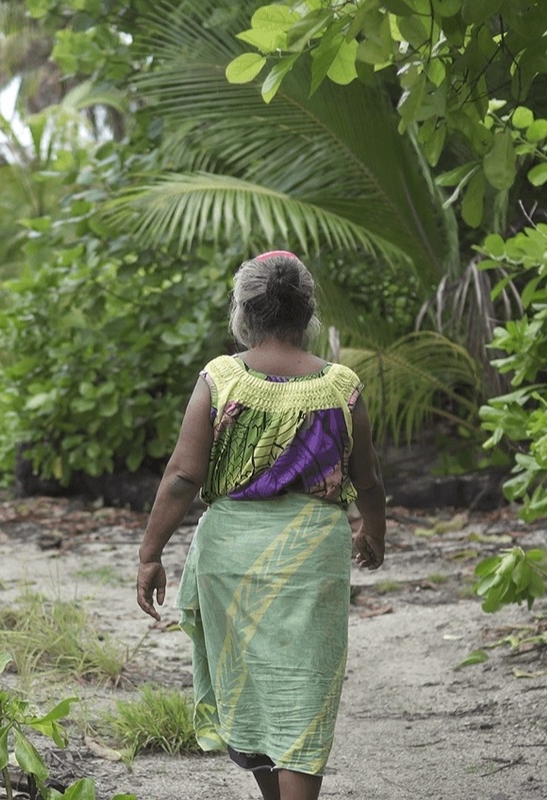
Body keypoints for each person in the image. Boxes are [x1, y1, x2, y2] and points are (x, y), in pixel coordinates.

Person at [135, 250, 387, 800]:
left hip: (232, 557)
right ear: (307, 313)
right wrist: (374, 531)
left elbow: (181, 477)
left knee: (249, 682)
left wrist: (150, 553)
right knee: (302, 686)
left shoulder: (221, 379)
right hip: (313, 555)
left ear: (244, 311)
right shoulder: (341, 386)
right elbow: (367, 478)